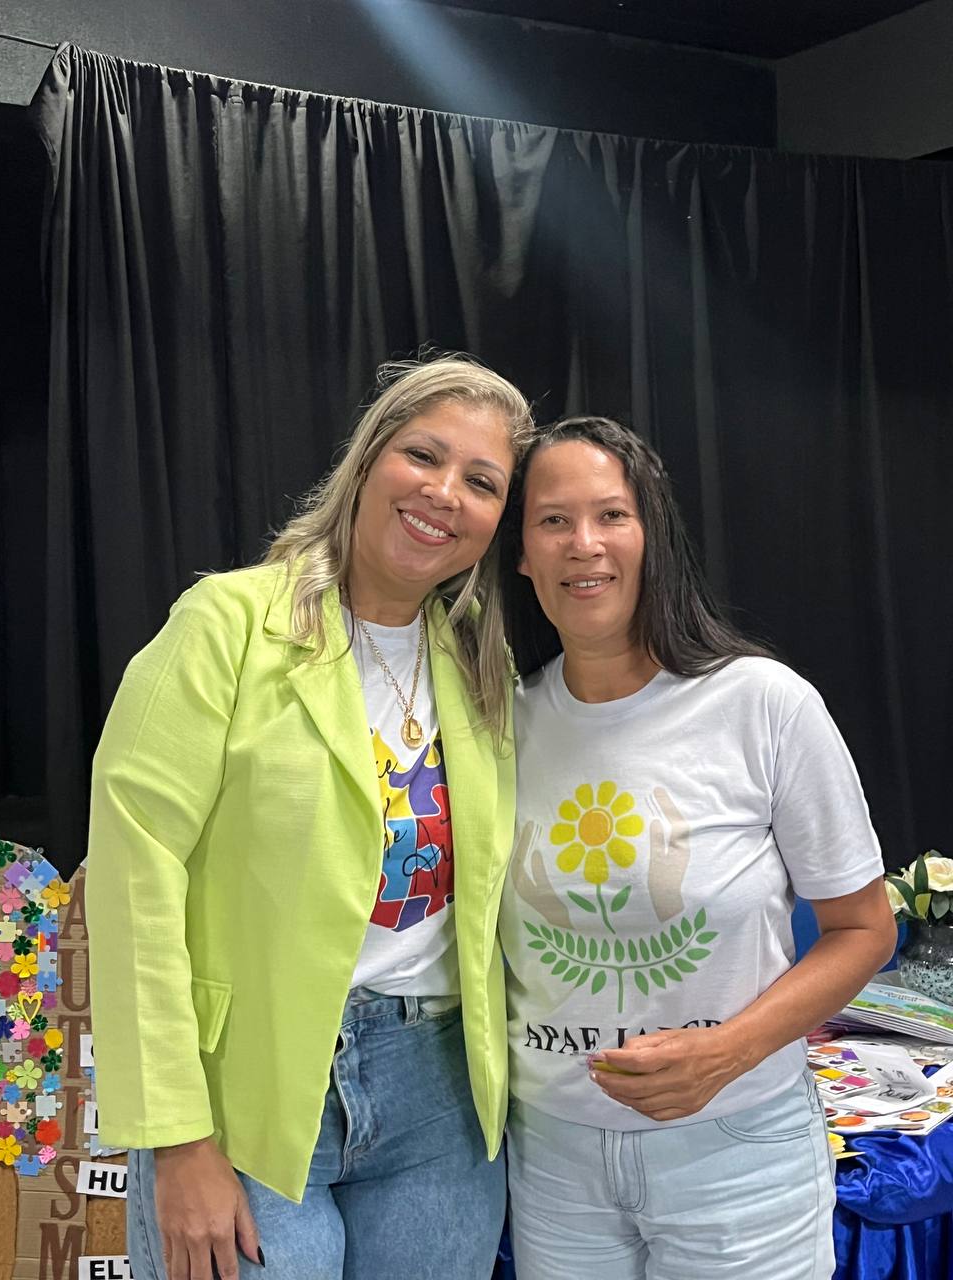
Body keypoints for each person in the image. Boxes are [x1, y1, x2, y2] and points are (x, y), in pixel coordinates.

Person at [85, 355, 534, 1280]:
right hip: (247, 1095)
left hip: (439, 1101)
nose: (444, 493)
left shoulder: (480, 671)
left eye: (482, 482)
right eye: (424, 455)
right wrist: (176, 1138)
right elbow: (134, 879)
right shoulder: (225, 624)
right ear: (368, 460)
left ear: (498, 521)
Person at [497, 416, 897, 1280]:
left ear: (653, 533)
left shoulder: (764, 705)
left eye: (611, 515)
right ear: (521, 553)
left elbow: (865, 929)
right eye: (553, 521)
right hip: (555, 1160)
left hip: (738, 1150)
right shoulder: (500, 724)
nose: (583, 544)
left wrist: (731, 1049)